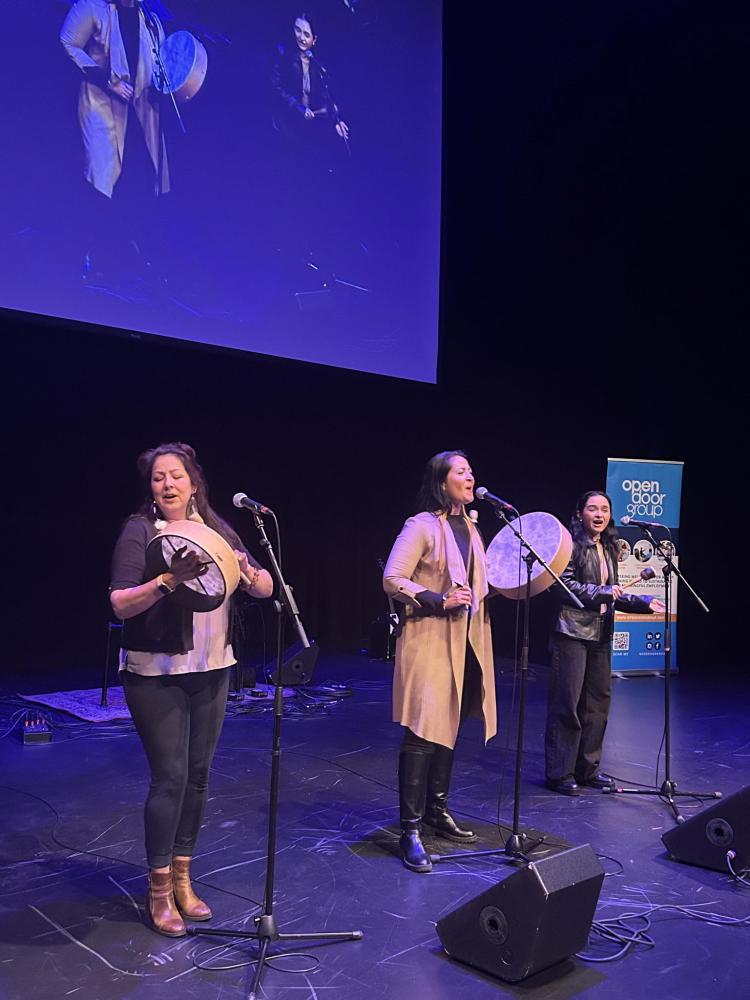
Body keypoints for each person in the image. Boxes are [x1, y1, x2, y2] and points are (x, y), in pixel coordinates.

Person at [109, 442, 273, 936]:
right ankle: (158, 889)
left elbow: (263, 588)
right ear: (151, 488)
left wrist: (250, 574)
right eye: (159, 478)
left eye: (176, 475)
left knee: (199, 777)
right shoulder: (139, 531)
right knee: (170, 778)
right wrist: (166, 580)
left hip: (212, 667)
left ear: (194, 482)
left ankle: (183, 879)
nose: (168, 485)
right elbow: (119, 604)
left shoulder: (217, 530)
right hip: (156, 672)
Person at [383, 451, 497, 873]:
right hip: (429, 639)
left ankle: (437, 810)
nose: (471, 476)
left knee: (449, 723)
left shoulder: (471, 526)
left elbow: (480, 583)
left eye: (471, 470)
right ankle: (409, 829)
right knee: (422, 729)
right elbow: (393, 578)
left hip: (465, 642)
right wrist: (437, 599)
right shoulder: (422, 526)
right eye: (462, 471)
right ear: (441, 481)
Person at [544, 491, 665, 796]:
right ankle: (560, 774)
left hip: (600, 632)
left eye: (605, 509)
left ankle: (587, 770)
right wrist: (602, 591)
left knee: (598, 705)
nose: (599, 514)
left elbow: (615, 594)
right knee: (567, 705)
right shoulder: (570, 545)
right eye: (592, 509)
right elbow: (563, 587)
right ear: (579, 513)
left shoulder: (608, 548)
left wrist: (643, 603)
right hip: (572, 631)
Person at [60, 0, 170, 274]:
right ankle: (85, 250)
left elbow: (161, 61)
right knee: (100, 177)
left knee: (142, 176)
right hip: (101, 105)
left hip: (139, 110)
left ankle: (122, 245)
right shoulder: (91, 8)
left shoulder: (150, 19)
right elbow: (68, 42)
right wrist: (108, 81)